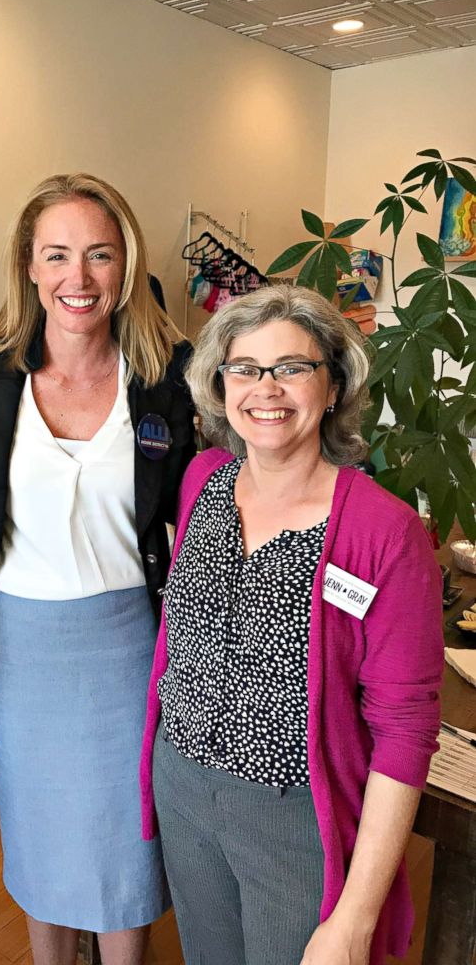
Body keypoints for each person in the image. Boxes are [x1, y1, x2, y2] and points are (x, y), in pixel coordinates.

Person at [139, 284, 444, 965]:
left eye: (292, 368)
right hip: (182, 787)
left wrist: (355, 921)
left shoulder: (383, 532)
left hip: (295, 815)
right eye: (244, 368)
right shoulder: (203, 480)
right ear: (221, 385)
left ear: (332, 384)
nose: (265, 389)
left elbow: (406, 727)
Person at [0, 173, 195, 965]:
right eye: (56, 255)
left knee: (125, 839)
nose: (78, 278)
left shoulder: (169, 371)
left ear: (125, 264)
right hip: (19, 649)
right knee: (39, 832)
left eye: (99, 255)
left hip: (128, 639)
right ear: (28, 265)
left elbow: (198, 508)